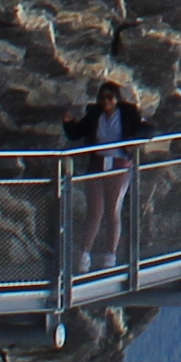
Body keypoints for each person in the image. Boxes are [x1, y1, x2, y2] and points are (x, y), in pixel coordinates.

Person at [72, 78, 146, 272]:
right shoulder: (95, 115)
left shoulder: (127, 114)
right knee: (95, 211)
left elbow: (144, 129)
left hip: (119, 164)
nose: (106, 101)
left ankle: (109, 255)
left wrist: (134, 140)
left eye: (110, 98)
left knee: (112, 211)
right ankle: (84, 254)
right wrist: (68, 123)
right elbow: (77, 132)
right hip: (98, 163)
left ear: (117, 99)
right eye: (102, 98)